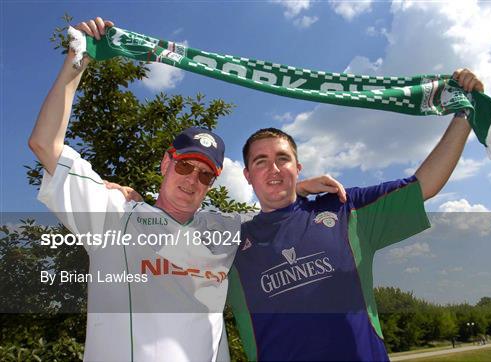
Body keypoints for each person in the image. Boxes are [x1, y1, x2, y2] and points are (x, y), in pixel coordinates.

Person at [29, 17, 345, 362]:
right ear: (166, 163)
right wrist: (79, 60)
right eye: (184, 166)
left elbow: (272, 215)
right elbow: (45, 145)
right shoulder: (114, 214)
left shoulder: (227, 229)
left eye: (205, 175)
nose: (192, 179)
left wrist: (296, 189)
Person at [224, 69, 484, 361]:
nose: (274, 168)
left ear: (297, 168)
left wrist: (464, 114)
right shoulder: (231, 243)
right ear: (247, 175)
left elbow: (423, 185)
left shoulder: (344, 207)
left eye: (283, 159)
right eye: (261, 161)